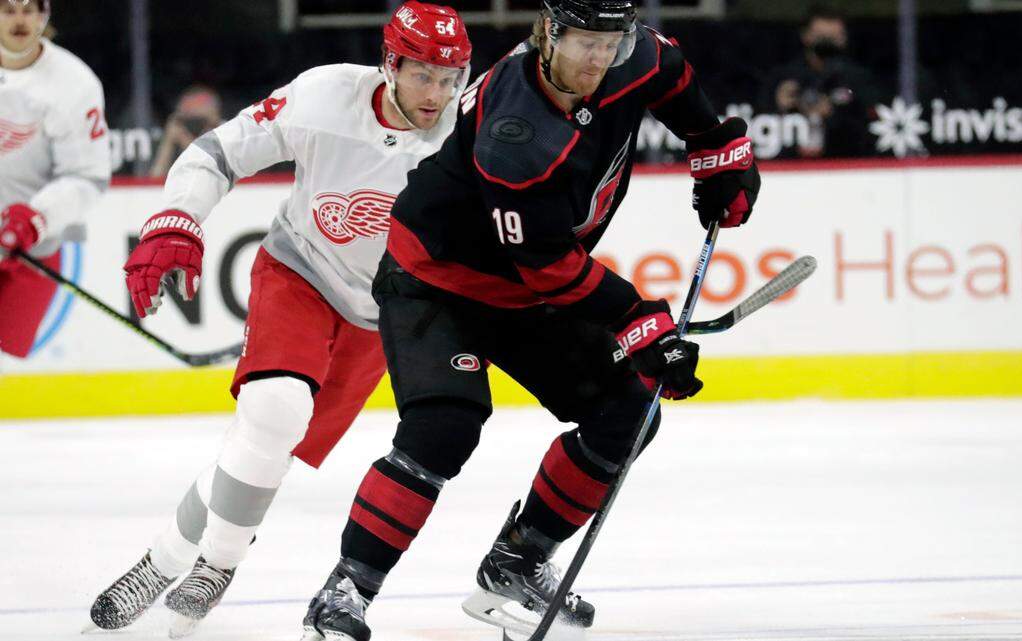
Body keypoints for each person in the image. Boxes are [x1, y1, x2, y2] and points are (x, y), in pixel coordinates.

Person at [299, 1, 761, 639]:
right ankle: (343, 594)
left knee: (629, 411)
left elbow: (674, 78)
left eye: (611, 42)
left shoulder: (635, 55)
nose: (598, 59)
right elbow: (547, 266)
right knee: (444, 427)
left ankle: (516, 563)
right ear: (548, 33)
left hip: (524, 292)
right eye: (583, 44)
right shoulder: (516, 132)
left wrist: (716, 148)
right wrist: (636, 319)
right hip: (438, 282)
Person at [87, 2, 471, 637]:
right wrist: (175, 217)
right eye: (422, 74)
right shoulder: (324, 96)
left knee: (265, 450)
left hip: (384, 310)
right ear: (389, 63)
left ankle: (165, 558)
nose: (436, 93)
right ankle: (220, 564)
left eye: (449, 77)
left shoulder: (470, 131)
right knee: (275, 413)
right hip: (300, 272)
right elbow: (218, 151)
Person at [0, 0, 109, 358]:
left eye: (28, 9)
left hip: (32, 252)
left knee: (9, 363)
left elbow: (87, 177)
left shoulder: (73, 83)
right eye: (7, 9)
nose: (19, 19)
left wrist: (39, 217)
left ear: (43, 15)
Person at [762, 5, 880, 159]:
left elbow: (873, 131)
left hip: (847, 164)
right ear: (805, 36)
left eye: (833, 38)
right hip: (791, 163)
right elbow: (757, 129)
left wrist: (833, 114)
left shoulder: (858, 79)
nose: (826, 44)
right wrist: (777, 108)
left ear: (844, 38)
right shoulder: (783, 77)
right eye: (821, 37)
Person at [149, 85, 225, 177]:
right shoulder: (176, 139)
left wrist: (186, 142)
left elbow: (216, 173)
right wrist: (168, 142)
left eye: (201, 121)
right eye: (190, 120)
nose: (195, 125)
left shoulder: (227, 133)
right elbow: (155, 179)